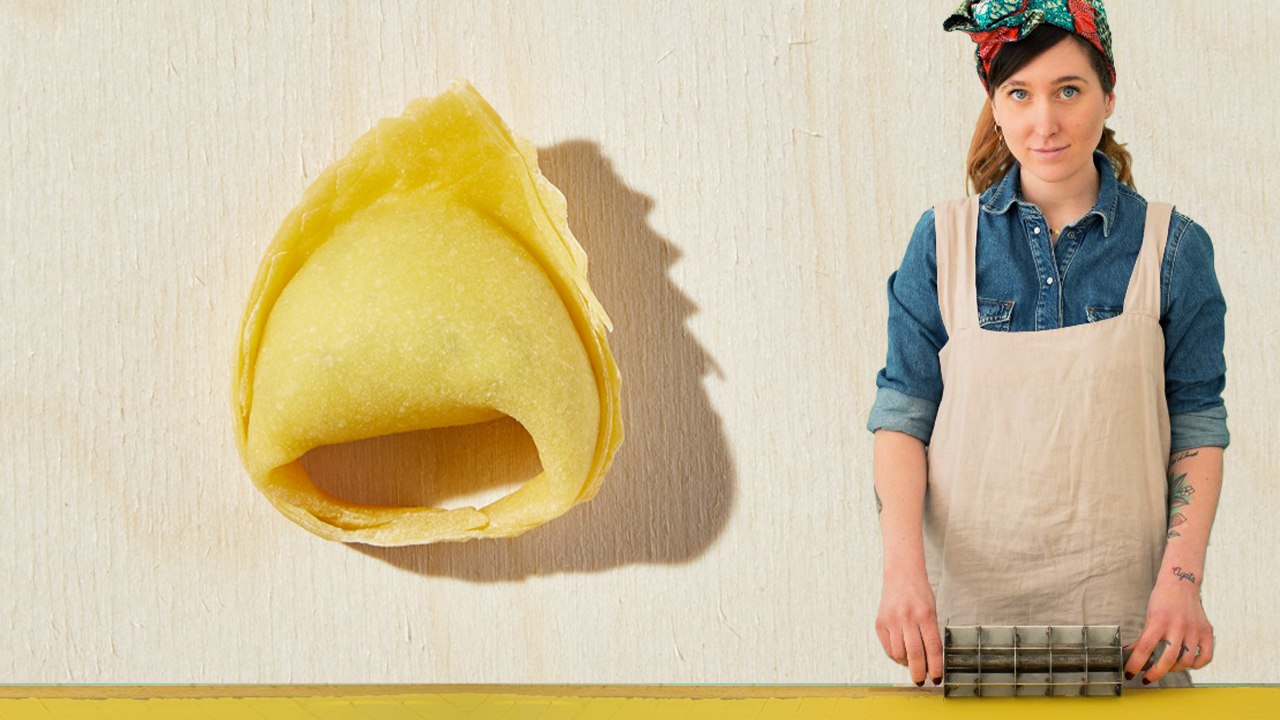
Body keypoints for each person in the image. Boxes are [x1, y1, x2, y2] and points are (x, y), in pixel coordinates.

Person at [865, 0, 1229, 690]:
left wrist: (1182, 582)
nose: (1045, 122)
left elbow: (1197, 428)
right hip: (960, 639)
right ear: (994, 104)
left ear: (1108, 92)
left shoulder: (1172, 247)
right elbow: (901, 419)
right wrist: (901, 575)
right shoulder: (942, 242)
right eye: (1020, 93)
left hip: (1130, 639)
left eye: (1069, 90)